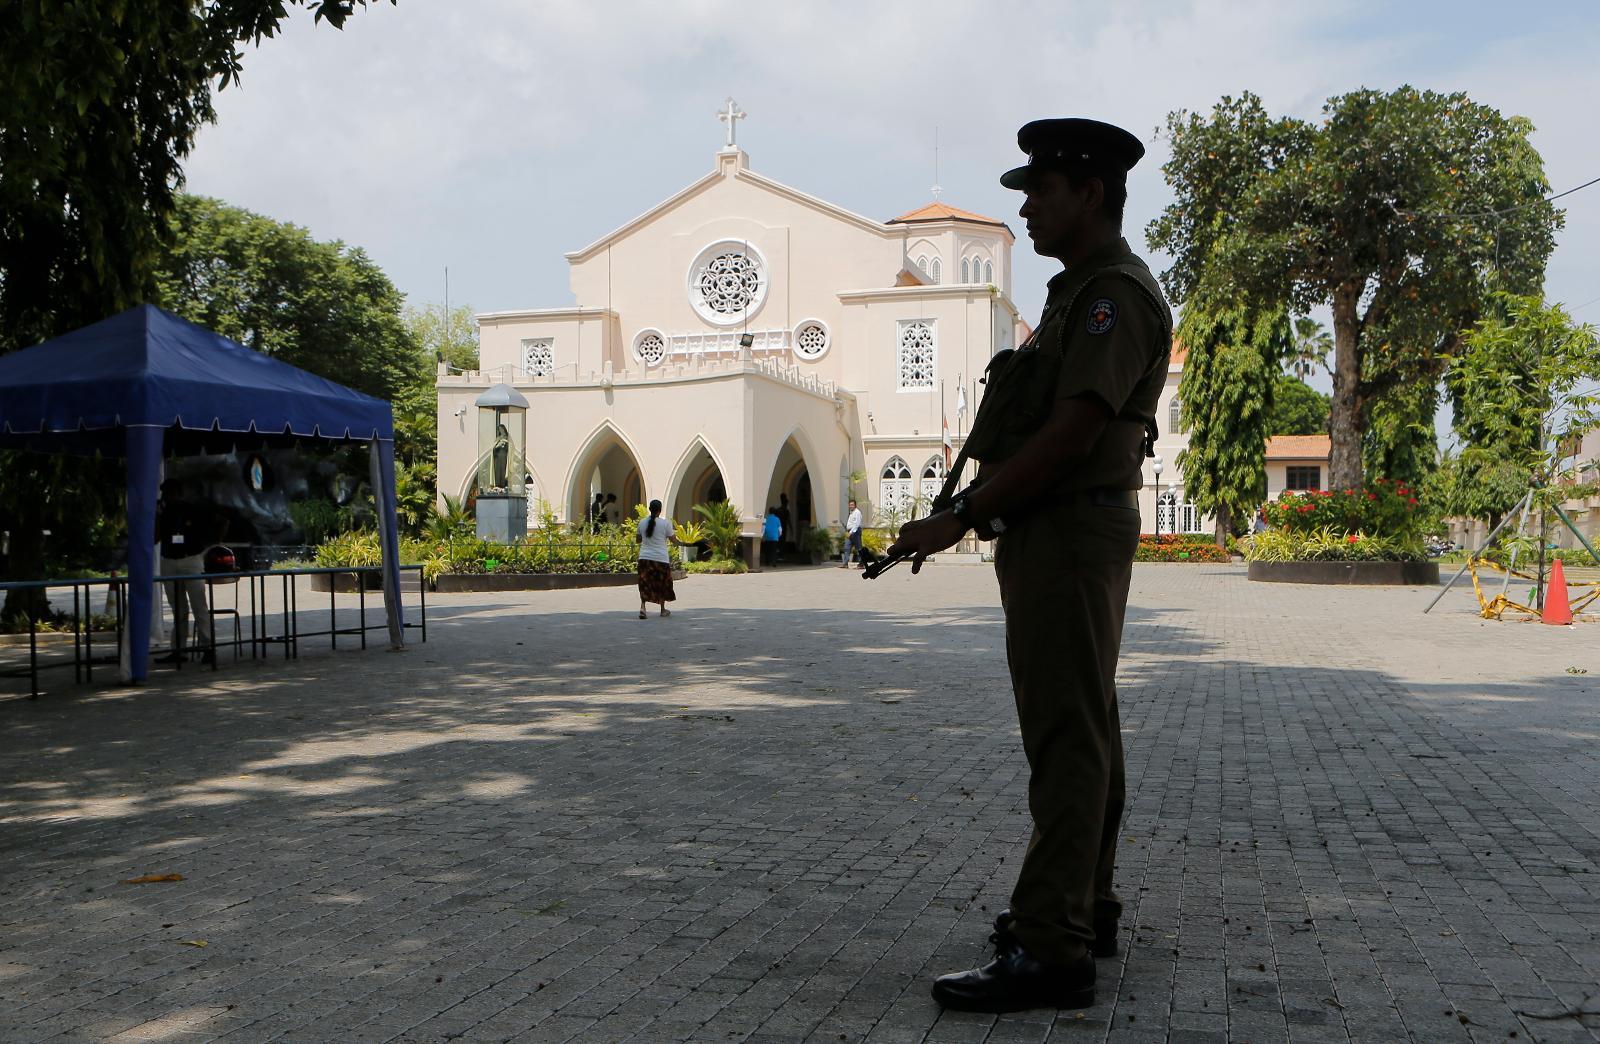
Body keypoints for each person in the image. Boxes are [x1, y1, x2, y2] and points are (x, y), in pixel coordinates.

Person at [889, 118, 1171, 1013]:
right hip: (1063, 530)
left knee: (1064, 735)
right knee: (1085, 723)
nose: (1028, 206)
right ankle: (1082, 906)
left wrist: (965, 515)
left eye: (1040, 190)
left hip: (1068, 530)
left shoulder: (1109, 297)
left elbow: (1071, 431)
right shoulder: (1075, 293)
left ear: (1090, 192)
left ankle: (1054, 946)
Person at [156, 480, 216, 665]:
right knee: (179, 609)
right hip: (169, 560)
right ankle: (179, 650)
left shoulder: (193, 509)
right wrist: (157, 516)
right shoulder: (162, 512)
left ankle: (208, 647)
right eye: (166, 493)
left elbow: (216, 523)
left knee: (199, 606)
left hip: (190, 559)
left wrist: (207, 547)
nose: (168, 496)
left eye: (172, 492)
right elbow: (155, 536)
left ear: (180, 492)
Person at [635, 499, 683, 618]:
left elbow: (638, 540)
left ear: (649, 509)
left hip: (645, 558)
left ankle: (643, 607)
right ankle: (662, 609)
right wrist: (681, 543)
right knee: (662, 583)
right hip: (661, 559)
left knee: (644, 583)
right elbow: (673, 540)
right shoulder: (665, 523)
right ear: (660, 510)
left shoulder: (642, 523)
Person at [840, 499, 862, 568]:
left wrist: (851, 532)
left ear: (855, 505)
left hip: (855, 532)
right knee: (847, 548)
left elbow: (856, 524)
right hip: (849, 531)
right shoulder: (851, 513)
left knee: (858, 548)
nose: (851, 506)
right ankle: (845, 563)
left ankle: (861, 564)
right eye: (850, 505)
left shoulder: (857, 512)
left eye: (852, 505)